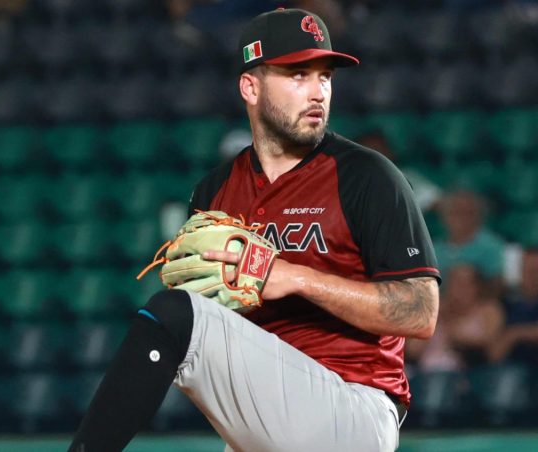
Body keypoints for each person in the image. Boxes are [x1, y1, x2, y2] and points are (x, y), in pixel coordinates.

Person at [68, 8, 440, 452]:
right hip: (266, 414)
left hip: (353, 408)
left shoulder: (367, 177)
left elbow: (421, 313)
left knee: (173, 315)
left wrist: (295, 277)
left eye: (324, 76)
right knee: (178, 317)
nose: (318, 91)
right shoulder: (215, 190)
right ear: (250, 87)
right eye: (298, 75)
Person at [406, 263, 503, 371]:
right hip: (428, 372)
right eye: (455, 283)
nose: (461, 289)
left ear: (477, 286)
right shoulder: (434, 310)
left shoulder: (488, 310)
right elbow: (412, 351)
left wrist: (456, 336)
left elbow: (493, 349)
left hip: (472, 372)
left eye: (467, 283)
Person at [435, 190, 505, 280]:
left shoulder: (492, 247)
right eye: (455, 212)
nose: (461, 218)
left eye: (467, 213)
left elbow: (498, 283)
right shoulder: (434, 249)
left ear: (479, 216)